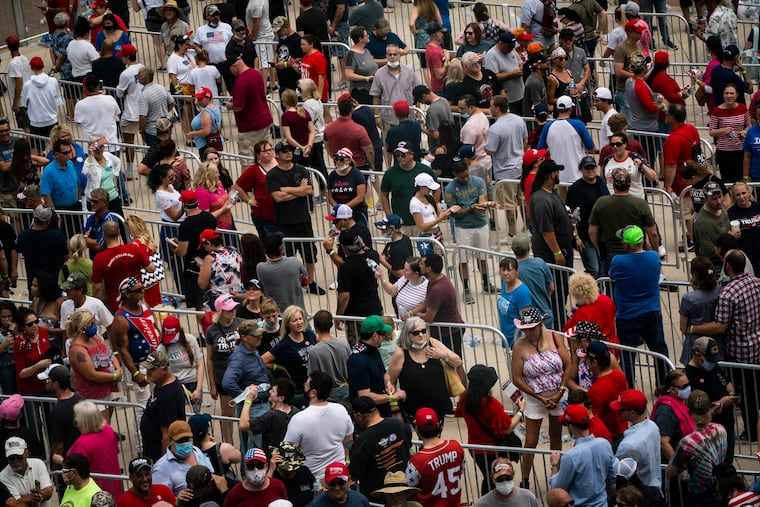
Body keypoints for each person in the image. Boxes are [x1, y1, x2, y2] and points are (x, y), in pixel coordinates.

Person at [510, 309, 569, 489]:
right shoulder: (519, 346)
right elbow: (517, 379)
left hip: (558, 395)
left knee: (556, 436)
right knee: (530, 441)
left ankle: (556, 474)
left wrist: (559, 393)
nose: (529, 333)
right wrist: (540, 397)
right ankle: (526, 479)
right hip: (535, 399)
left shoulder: (554, 338)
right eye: (525, 329)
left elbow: (568, 366)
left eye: (532, 329)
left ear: (540, 325)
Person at [265, 142, 325, 295]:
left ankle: (310, 281)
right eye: (284, 151)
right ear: (277, 155)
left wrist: (287, 190)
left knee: (310, 253)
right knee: (288, 256)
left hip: (303, 219)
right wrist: (299, 190)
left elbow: (309, 190)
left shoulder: (301, 170)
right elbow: (277, 197)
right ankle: (293, 284)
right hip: (284, 222)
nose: (288, 153)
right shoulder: (273, 175)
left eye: (289, 150)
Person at [455, 364, 524, 494]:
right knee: (493, 479)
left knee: (488, 476)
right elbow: (507, 428)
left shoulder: (464, 398)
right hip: (493, 449)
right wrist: (520, 411)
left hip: (475, 448)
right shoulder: (491, 404)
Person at [387, 317, 462, 423]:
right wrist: (395, 407)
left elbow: (458, 362)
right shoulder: (401, 353)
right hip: (414, 411)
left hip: (438, 409)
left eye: (423, 331)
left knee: (435, 437)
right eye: (416, 333)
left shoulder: (434, 344)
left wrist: (443, 355)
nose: (421, 335)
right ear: (407, 335)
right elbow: (390, 380)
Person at [283, 371, 354, 480]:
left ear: (313, 393)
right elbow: (348, 441)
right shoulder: (341, 410)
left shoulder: (299, 419)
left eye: (306, 385)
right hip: (340, 476)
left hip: (314, 481)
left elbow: (287, 453)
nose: (303, 386)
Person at [588, 169, 658, 276]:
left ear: (613, 184)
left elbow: (592, 232)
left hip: (610, 253)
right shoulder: (640, 204)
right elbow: (653, 233)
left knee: (612, 287)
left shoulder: (601, 203)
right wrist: (655, 253)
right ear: (629, 184)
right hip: (637, 252)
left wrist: (598, 250)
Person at [667, 390, 727, 507]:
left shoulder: (688, 442)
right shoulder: (721, 429)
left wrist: (684, 466)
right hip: (721, 490)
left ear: (689, 411)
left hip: (699, 496)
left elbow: (671, 471)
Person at [548, 405, 616, 507]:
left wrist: (554, 465)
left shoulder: (571, 456)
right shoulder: (604, 444)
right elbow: (612, 477)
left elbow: (557, 488)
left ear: (571, 426)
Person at [685, 336, 738, 464]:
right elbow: (698, 409)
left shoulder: (713, 366)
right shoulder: (689, 376)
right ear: (698, 356)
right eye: (709, 359)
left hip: (727, 426)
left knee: (727, 465)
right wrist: (721, 403)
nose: (713, 363)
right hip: (709, 433)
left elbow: (727, 383)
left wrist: (730, 394)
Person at [221, 319, 270, 450]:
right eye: (255, 335)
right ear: (244, 337)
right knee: (260, 450)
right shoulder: (239, 358)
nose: (259, 337)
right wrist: (246, 396)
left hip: (258, 407)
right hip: (254, 409)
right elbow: (227, 383)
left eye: (260, 334)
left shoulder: (252, 349)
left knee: (251, 449)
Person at [349, 396, 410, 497]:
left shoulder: (363, 441)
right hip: (405, 490)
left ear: (359, 416)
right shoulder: (398, 424)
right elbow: (408, 445)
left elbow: (355, 473)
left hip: (378, 496)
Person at [405, 407, 465, 507]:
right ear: (437, 425)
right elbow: (461, 470)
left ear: (417, 429)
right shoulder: (456, 447)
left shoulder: (417, 461)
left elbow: (407, 488)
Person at [652, 369, 692, 507]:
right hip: (674, 471)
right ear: (672, 389)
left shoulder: (680, 402)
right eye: (683, 386)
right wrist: (679, 467)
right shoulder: (665, 411)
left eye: (688, 384)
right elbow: (664, 443)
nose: (688, 388)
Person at [92, 222, 155, 312]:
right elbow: (151, 268)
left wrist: (98, 307)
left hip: (116, 306)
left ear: (103, 234)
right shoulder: (133, 249)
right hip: (138, 301)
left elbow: (97, 288)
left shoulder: (99, 258)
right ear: (118, 233)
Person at [66, 310, 120, 413]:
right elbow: (91, 374)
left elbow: (110, 354)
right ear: (82, 327)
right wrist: (114, 376)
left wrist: (117, 370)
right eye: (91, 324)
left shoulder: (95, 338)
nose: (94, 326)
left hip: (107, 390)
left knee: (107, 424)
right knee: (99, 427)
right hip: (92, 396)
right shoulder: (78, 349)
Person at [66, 401, 123, 499]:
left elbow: (72, 469)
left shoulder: (82, 443)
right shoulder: (108, 430)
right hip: (115, 487)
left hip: (96, 493)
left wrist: (58, 459)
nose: (75, 419)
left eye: (77, 416)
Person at [415, 254, 465, 355]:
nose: (419, 266)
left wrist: (414, 315)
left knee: (452, 364)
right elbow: (426, 302)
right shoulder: (435, 280)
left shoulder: (437, 290)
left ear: (428, 269)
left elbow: (428, 318)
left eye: (421, 264)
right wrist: (412, 312)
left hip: (448, 333)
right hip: (446, 330)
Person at [151, 420, 214, 497]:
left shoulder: (196, 451)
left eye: (187, 439)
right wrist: (177, 500)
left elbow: (211, 472)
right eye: (180, 441)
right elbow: (159, 499)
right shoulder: (160, 469)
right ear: (170, 440)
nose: (185, 443)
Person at [156, 316, 204, 414]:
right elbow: (161, 372)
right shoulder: (162, 348)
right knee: (186, 414)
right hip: (175, 385)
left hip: (193, 383)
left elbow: (200, 364)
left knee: (195, 415)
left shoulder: (191, 340)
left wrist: (198, 389)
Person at [228, 56, 273, 158]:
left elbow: (238, 106)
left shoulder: (240, 81)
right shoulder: (256, 73)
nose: (232, 73)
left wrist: (228, 105)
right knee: (266, 155)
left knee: (248, 158)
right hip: (264, 120)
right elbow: (262, 94)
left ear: (234, 66)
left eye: (231, 70)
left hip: (249, 126)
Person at [16, 205, 67, 295]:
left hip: (33, 278)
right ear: (48, 221)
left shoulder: (24, 235)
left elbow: (22, 252)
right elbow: (66, 255)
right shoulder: (57, 236)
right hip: (53, 279)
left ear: (34, 218)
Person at [20, 57, 60, 154]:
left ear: (32, 68)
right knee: (57, 149)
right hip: (52, 120)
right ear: (43, 66)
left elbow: (24, 104)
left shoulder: (27, 85)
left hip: (36, 123)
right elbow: (57, 100)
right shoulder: (53, 81)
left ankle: (38, 169)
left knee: (36, 151)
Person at [0, 437, 54, 507]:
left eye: (19, 457)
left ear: (27, 453)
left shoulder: (38, 463)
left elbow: (49, 490)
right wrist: (37, 496)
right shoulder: (3, 476)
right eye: (11, 458)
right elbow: (15, 504)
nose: (15, 461)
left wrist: (39, 495)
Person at [474, 458, 539, 507]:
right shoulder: (482, 504)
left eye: (508, 478)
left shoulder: (528, 497)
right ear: (493, 479)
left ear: (513, 475)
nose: (504, 482)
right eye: (500, 479)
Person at [137, 69, 175, 147]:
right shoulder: (161, 87)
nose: (137, 78)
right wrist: (164, 112)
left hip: (152, 131)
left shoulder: (144, 95)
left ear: (145, 79)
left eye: (139, 76)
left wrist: (141, 130)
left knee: (154, 155)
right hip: (165, 128)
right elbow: (172, 103)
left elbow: (143, 117)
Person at [727, 181, 760, 272]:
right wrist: (730, 235)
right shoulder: (731, 212)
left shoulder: (757, 207)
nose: (741, 197)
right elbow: (725, 234)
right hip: (744, 255)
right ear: (734, 196)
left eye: (744, 193)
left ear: (749, 193)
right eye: (738, 195)